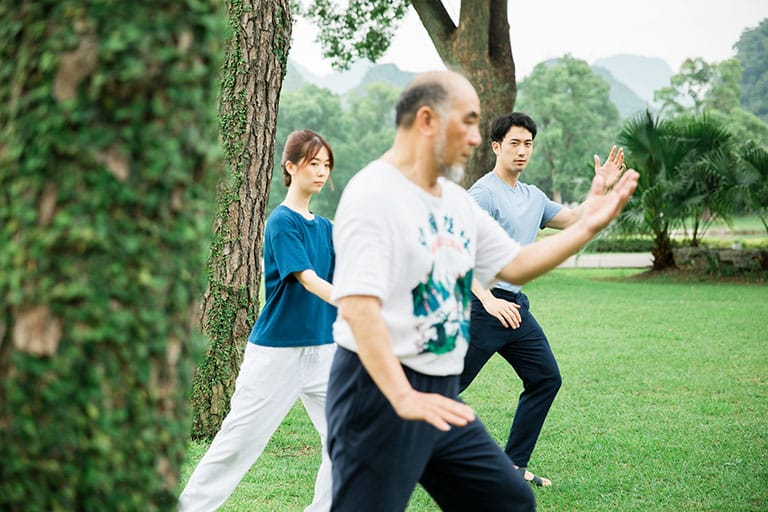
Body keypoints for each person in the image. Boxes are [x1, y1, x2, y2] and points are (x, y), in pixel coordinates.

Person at [326, 70, 638, 512]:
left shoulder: (452, 200)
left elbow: (514, 263)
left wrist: (587, 223)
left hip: (438, 394)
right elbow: (358, 308)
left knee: (508, 501)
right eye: (468, 121)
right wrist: (402, 396)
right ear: (428, 119)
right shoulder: (374, 194)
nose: (476, 137)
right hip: (378, 392)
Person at [459, 112, 626, 487]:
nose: (522, 151)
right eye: (514, 143)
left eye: (528, 144)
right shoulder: (483, 194)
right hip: (481, 306)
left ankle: (513, 466)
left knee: (545, 378)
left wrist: (600, 188)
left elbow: (576, 219)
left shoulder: (532, 196)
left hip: (515, 308)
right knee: (441, 391)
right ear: (496, 146)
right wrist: (487, 300)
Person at [179, 129, 337, 512]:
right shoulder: (281, 222)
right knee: (238, 441)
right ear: (291, 166)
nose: (321, 172)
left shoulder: (327, 228)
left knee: (348, 438)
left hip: (324, 350)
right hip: (276, 353)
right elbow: (308, 278)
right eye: (313, 163)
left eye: (327, 165)